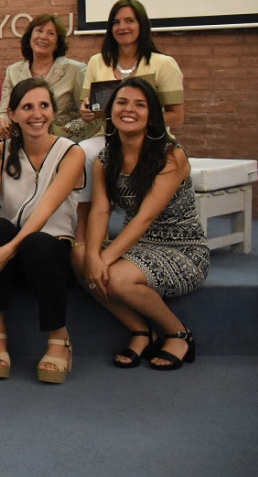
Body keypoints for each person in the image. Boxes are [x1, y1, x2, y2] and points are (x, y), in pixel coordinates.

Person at [77, 77, 208, 371]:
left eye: (140, 105)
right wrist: (93, 255)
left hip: (181, 249)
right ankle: (140, 330)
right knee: (78, 255)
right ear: (110, 110)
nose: (129, 110)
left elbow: (145, 217)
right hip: (137, 246)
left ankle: (178, 333)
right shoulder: (105, 158)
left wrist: (104, 259)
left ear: (152, 115)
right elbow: (100, 211)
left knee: (115, 276)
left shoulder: (170, 155)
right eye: (122, 103)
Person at [0, 78, 85, 384]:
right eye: (27, 107)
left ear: (53, 111)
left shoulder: (71, 153)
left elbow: (45, 210)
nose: (37, 114)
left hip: (50, 257)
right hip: (8, 258)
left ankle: (60, 338)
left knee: (34, 242)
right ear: (14, 113)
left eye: (44, 106)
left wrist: (10, 248)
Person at [75, 0, 184, 235]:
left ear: (142, 25)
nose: (122, 27)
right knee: (82, 152)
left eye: (129, 21)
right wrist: (85, 112)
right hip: (109, 137)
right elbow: (89, 109)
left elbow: (177, 116)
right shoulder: (97, 62)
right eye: (116, 22)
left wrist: (139, 124)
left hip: (151, 140)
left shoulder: (163, 64)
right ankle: (87, 230)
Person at [0, 14, 89, 143]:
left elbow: (87, 117)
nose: (43, 37)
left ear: (57, 42)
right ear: (30, 36)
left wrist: (60, 132)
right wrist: (1, 120)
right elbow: (4, 111)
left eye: (51, 34)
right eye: (39, 31)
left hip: (61, 140)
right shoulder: (13, 71)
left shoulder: (76, 70)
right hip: (21, 138)